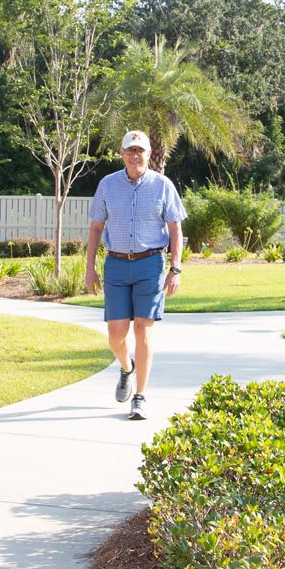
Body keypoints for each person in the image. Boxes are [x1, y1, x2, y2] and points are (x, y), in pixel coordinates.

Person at [84, 130, 185, 420]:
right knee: (116, 335)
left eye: (140, 150)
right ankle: (127, 368)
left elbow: (176, 229)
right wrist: (89, 269)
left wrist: (175, 268)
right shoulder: (107, 185)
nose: (135, 155)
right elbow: (95, 229)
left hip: (150, 264)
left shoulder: (163, 185)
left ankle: (140, 396)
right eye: (130, 150)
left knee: (143, 328)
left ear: (149, 154)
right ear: (122, 153)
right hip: (115, 265)